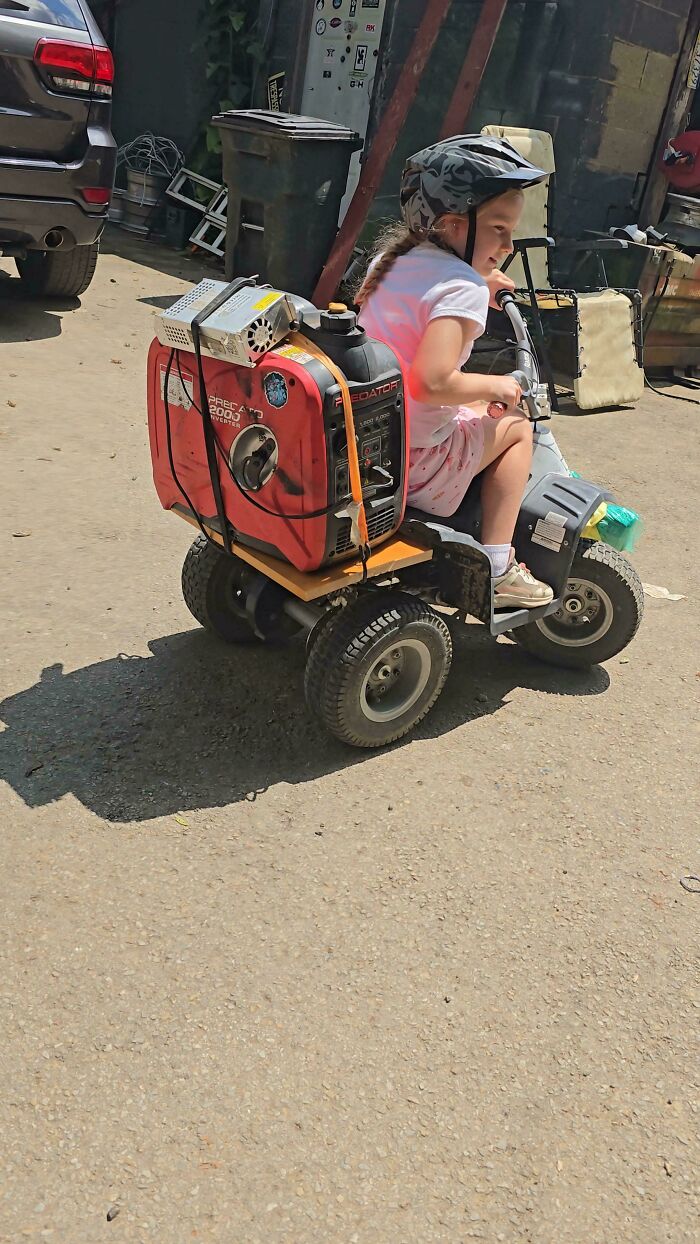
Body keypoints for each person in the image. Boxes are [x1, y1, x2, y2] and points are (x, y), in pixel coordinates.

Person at [357, 135, 554, 609]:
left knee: (475, 406)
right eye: (499, 229)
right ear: (451, 223)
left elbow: (422, 300)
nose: (507, 245)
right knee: (516, 426)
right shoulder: (461, 289)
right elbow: (433, 381)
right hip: (416, 462)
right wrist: (501, 384)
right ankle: (499, 568)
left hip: (368, 443)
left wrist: (477, 279)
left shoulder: (391, 261)